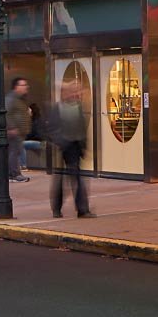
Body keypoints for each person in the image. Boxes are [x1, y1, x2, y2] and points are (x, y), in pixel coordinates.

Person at [46, 76, 93, 218]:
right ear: (65, 93)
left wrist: (84, 146)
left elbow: (81, 127)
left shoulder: (77, 107)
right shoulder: (57, 108)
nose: (76, 94)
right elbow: (52, 128)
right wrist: (61, 142)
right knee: (61, 180)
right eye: (73, 91)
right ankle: (58, 208)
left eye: (77, 91)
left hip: (74, 147)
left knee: (76, 178)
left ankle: (82, 209)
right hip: (63, 147)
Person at [2, 76, 34, 184]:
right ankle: (14, 174)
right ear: (16, 87)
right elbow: (6, 112)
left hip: (19, 131)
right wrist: (11, 127)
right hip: (14, 131)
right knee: (14, 152)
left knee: (16, 152)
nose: (26, 87)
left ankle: (13, 173)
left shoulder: (20, 99)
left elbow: (18, 112)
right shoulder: (11, 98)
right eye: (23, 85)